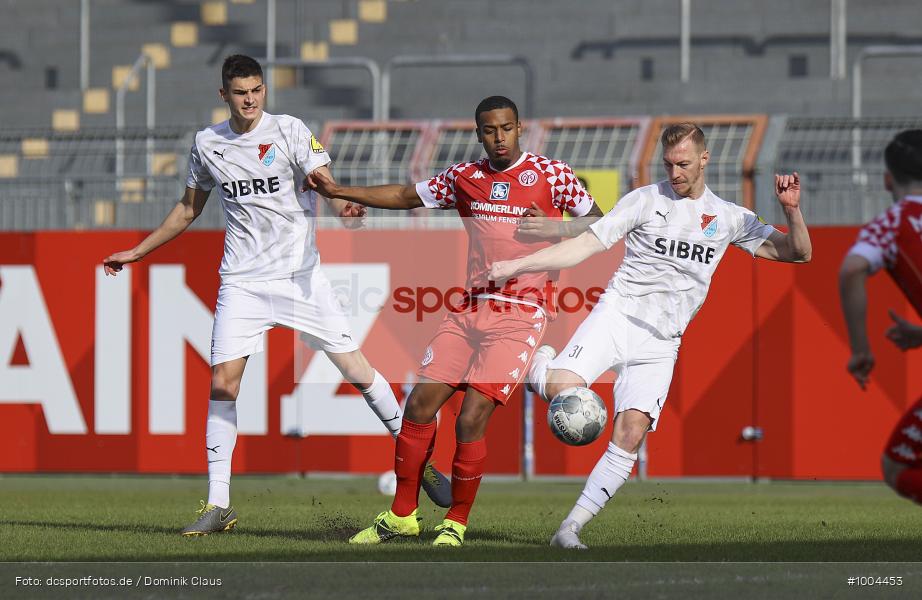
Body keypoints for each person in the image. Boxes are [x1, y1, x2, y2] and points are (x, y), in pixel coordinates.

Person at [102, 54, 450, 537]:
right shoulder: (207, 144)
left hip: (299, 278)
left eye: (257, 90)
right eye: (240, 92)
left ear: (263, 89)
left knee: (357, 370)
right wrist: (138, 251)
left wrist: (343, 206)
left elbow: (323, 181)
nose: (250, 100)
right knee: (223, 384)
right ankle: (218, 503)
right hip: (241, 282)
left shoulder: (289, 130)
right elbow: (187, 209)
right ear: (223, 95)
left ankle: (418, 458)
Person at [490, 123, 812, 549]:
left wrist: (792, 211)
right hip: (618, 316)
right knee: (561, 390)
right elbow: (584, 245)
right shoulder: (643, 200)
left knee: (631, 432)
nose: (675, 173)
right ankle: (541, 369)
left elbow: (798, 253)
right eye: (668, 164)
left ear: (704, 159)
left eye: (683, 164)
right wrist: (516, 267)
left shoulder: (730, 217)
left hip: (662, 342)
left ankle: (569, 529)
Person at [306, 95, 604, 546]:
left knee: (470, 418)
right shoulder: (465, 178)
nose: (499, 137)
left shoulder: (553, 174)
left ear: (520, 128)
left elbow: (600, 225)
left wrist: (555, 228)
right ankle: (401, 516)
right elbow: (406, 196)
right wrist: (339, 191)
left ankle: (456, 523)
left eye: (506, 128)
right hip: (469, 307)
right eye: (490, 130)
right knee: (419, 406)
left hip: (522, 312)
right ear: (478, 133)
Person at [839, 129, 922, 502]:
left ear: (888, 179)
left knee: (899, 466)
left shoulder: (892, 224)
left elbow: (852, 269)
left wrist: (861, 350)